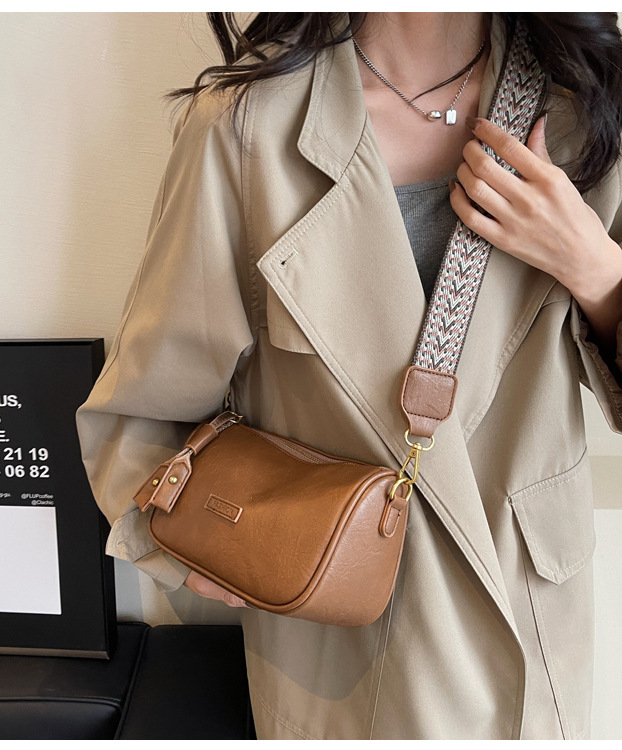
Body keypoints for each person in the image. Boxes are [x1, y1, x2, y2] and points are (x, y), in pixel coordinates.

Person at [76, 13, 622, 739]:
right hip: (343, 647)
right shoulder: (246, 130)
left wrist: (596, 269)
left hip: (531, 631)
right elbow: (143, 409)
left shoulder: (590, 114)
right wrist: (186, 546)